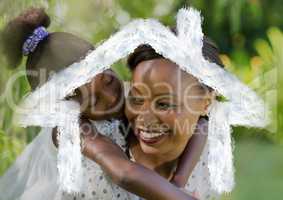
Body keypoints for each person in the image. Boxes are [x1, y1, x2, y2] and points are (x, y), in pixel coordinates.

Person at [0, 7, 207, 200]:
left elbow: (202, 122)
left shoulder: (131, 92)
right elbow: (123, 172)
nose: (111, 99)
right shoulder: (72, 128)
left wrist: (179, 181)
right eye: (95, 101)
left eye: (107, 81)